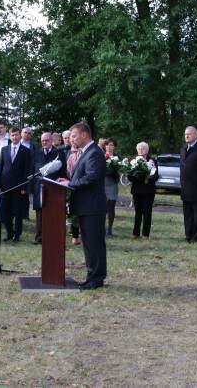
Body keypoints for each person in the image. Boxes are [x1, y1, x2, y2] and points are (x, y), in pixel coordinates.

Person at [58, 122, 107, 290]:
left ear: (84, 135)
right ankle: (92, 277)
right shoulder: (86, 152)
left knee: (94, 244)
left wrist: (70, 184)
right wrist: (69, 181)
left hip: (92, 207)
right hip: (86, 206)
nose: (72, 139)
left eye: (74, 135)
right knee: (89, 244)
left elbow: (91, 177)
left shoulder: (94, 152)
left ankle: (96, 279)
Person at [0, 127, 31, 242]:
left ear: (20, 135)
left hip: (19, 186)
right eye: (12, 135)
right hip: (5, 186)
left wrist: (24, 186)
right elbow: (1, 167)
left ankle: (17, 234)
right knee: (6, 211)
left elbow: (27, 170)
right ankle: (9, 233)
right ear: (10, 136)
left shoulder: (25, 151)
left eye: (16, 135)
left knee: (17, 211)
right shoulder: (4, 149)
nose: (14, 137)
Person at [32, 132, 65, 244]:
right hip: (39, 186)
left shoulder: (59, 153)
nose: (44, 143)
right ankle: (39, 237)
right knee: (39, 213)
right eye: (42, 141)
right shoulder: (36, 153)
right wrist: (32, 186)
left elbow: (63, 171)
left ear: (51, 141)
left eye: (46, 140)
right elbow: (32, 170)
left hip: (53, 187)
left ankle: (51, 237)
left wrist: (61, 182)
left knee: (52, 212)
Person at [128, 142, 159, 238]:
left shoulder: (152, 161)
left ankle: (145, 234)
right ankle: (135, 233)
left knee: (147, 212)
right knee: (137, 212)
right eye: (139, 149)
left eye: (143, 148)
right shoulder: (134, 161)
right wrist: (136, 175)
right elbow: (129, 176)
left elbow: (156, 176)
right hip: (137, 190)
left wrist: (147, 177)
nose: (141, 150)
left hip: (148, 191)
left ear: (147, 150)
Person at [66, 142, 82, 246]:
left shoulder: (86, 155)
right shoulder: (71, 157)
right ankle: (75, 236)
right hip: (73, 186)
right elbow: (68, 171)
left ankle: (83, 235)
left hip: (84, 186)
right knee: (74, 212)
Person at [20, 127, 35, 219]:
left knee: (25, 194)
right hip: (16, 172)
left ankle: (25, 215)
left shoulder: (33, 146)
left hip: (27, 173)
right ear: (21, 133)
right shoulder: (15, 143)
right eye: (25, 132)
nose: (27, 134)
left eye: (29, 133)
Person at [104, 138, 119, 236]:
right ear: (105, 146)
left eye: (112, 145)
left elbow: (118, 170)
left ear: (114, 147)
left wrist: (111, 171)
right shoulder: (101, 156)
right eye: (108, 145)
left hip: (112, 184)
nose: (109, 147)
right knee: (102, 207)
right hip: (102, 184)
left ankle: (110, 229)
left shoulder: (117, 158)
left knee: (111, 207)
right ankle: (102, 228)